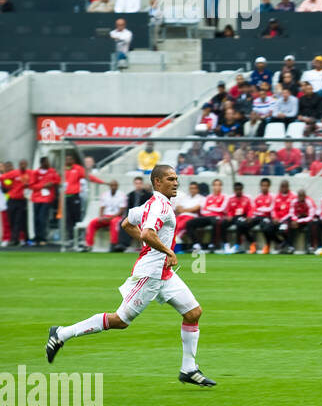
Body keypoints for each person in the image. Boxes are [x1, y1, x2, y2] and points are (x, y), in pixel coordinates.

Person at [46, 164, 217, 387]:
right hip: (149, 274)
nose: (175, 183)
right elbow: (147, 232)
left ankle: (189, 369)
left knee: (193, 312)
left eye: (176, 179)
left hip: (163, 273)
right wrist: (167, 251)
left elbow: (127, 222)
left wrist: (154, 248)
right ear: (157, 182)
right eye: (170, 179)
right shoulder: (159, 207)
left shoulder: (152, 204)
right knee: (120, 320)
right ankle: (61, 333)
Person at [82, 178, 126, 251]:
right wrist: (101, 217)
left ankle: (113, 244)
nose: (113, 187)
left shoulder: (122, 195)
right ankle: (88, 245)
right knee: (92, 223)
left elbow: (121, 211)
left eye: (115, 185)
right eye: (112, 185)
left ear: (117, 186)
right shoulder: (105, 194)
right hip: (106, 216)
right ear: (109, 186)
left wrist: (110, 218)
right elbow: (102, 207)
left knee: (114, 222)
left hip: (117, 217)